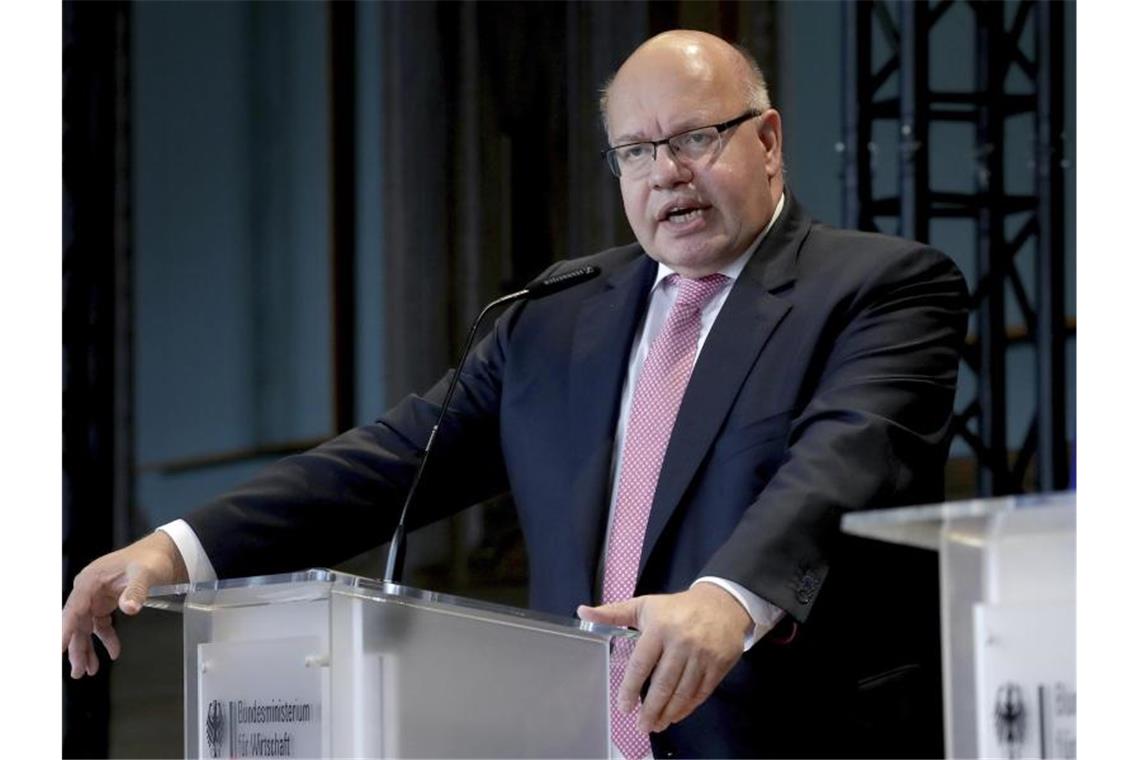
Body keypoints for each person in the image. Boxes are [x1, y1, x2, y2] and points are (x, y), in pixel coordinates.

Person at [64, 30, 967, 759]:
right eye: (638, 151)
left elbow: (844, 458)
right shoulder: (558, 313)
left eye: (696, 138)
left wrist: (729, 597)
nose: (668, 173)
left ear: (767, 140)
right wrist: (177, 548)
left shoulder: (879, 286)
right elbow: (395, 460)